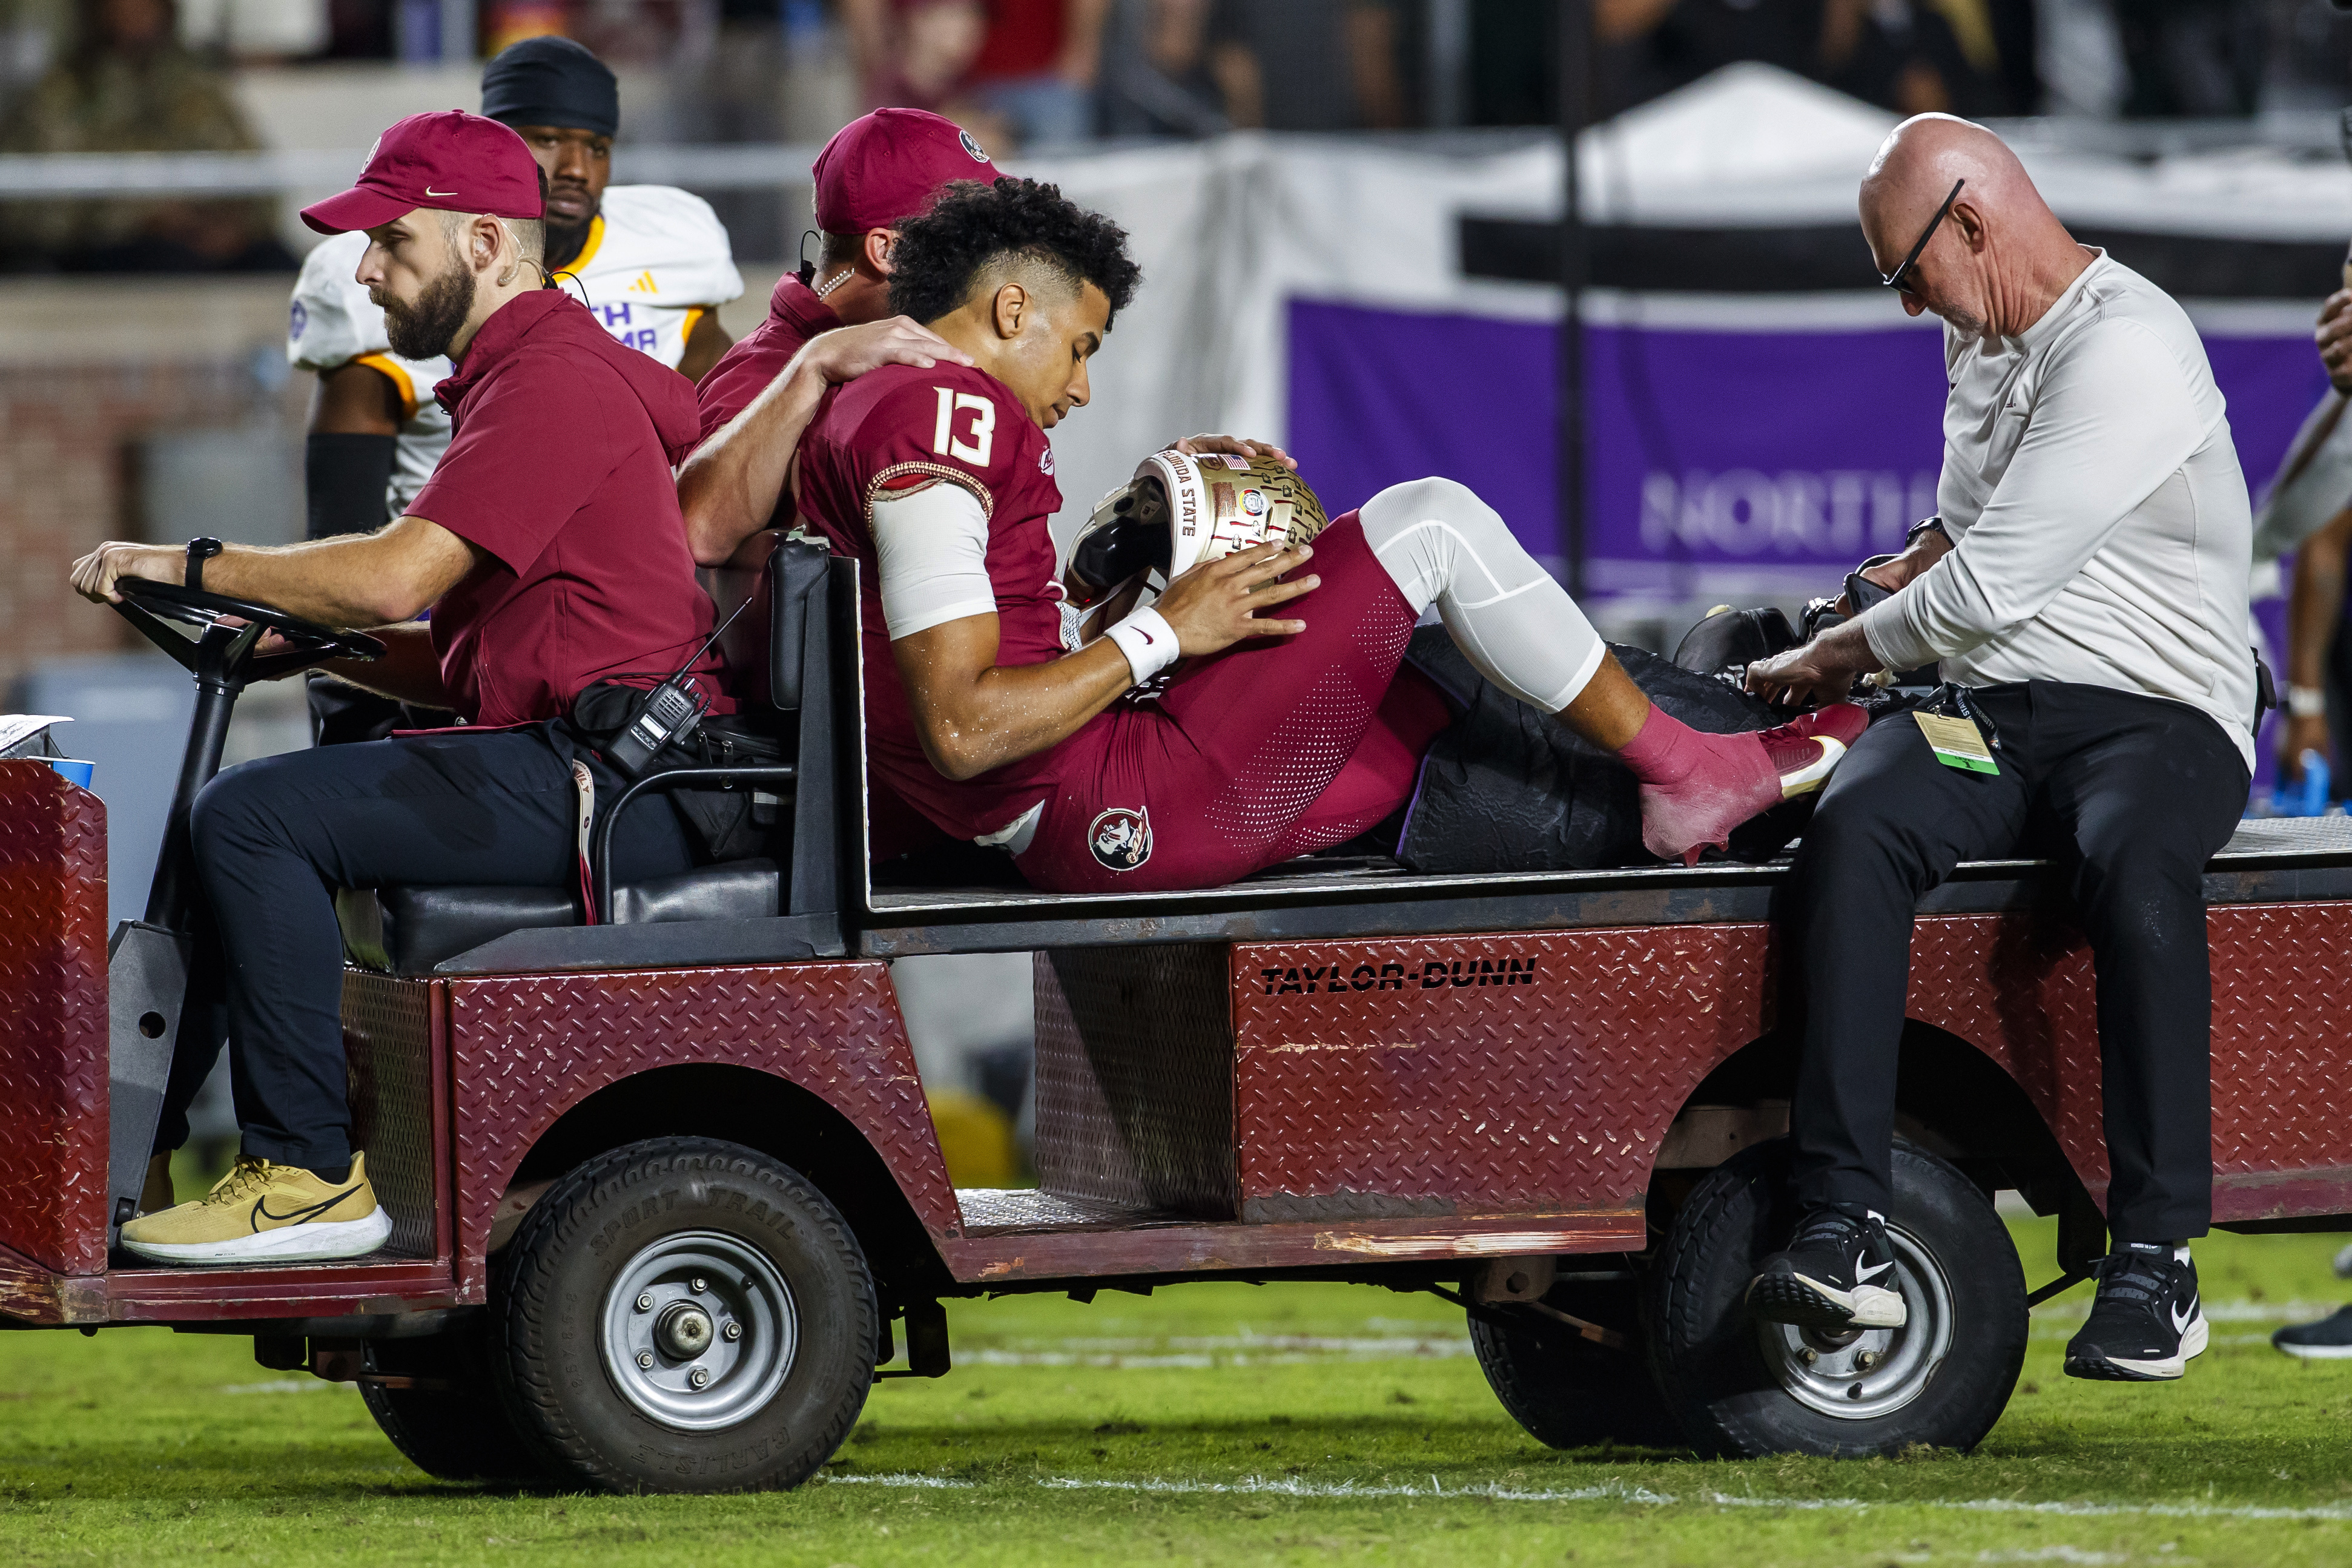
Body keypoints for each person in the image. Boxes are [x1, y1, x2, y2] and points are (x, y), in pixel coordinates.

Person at [713, 173, 1860, 892]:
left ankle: (1702, 749)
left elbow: (972, 672)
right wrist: (1165, 631)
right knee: (1430, 523)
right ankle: (1697, 771)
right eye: (1080, 347)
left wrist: (1123, 588)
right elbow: (967, 728)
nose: (1080, 387)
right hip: (1100, 807)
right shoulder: (938, 409)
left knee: (1423, 698)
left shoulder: (890, 403)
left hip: (1077, 794)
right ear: (1012, 308)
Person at [71, 110, 725, 1265]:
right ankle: (148, 1153)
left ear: (485, 244)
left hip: (614, 782)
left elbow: (392, 578)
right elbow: (486, 640)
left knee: (253, 815)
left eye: (391, 243)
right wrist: (322, 650)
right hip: (595, 756)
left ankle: (306, 1175)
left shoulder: (550, 382)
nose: (367, 269)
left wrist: (184, 562)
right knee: (252, 813)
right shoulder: (528, 375)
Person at [1740, 114, 2256, 1383]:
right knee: (1854, 830)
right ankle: (1841, 1222)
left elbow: (1984, 592)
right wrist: (1895, 567)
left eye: (1906, 273)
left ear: (1967, 223)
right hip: (1994, 715)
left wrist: (1831, 655)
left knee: (2128, 854)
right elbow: (1967, 538)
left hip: (2158, 712)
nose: (1909, 305)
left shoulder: (2127, 344)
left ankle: (2157, 1257)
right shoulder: (1977, 340)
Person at [290, 33, 743, 746]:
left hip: (579, 641)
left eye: (596, 146)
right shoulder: (388, 270)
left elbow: (709, 435)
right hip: (425, 607)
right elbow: (340, 513)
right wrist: (335, 657)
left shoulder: (669, 249)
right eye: (547, 140)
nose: (574, 168)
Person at [683, 105, 1000, 557]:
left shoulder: (934, 343)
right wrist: (812, 367)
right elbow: (694, 532)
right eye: (970, 239)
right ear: (888, 252)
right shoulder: (764, 371)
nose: (990, 258)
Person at [0, 0, 290, 272]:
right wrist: (143, 217)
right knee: (170, 265)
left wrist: (231, 226)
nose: (137, 10)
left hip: (206, 240)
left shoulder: (199, 88)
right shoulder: (63, 94)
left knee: (280, 266)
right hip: (109, 249)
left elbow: (255, 177)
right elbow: (36, 206)